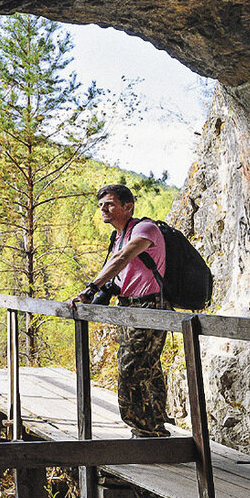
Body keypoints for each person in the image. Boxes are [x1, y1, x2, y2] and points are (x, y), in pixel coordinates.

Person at [69, 183, 171, 437]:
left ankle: (144, 430)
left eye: (110, 204)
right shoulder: (118, 235)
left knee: (131, 367)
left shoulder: (145, 229)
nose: (103, 209)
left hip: (150, 305)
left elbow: (122, 259)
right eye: (101, 205)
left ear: (128, 206)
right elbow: (121, 272)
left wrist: (91, 288)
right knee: (148, 365)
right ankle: (155, 426)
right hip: (128, 306)